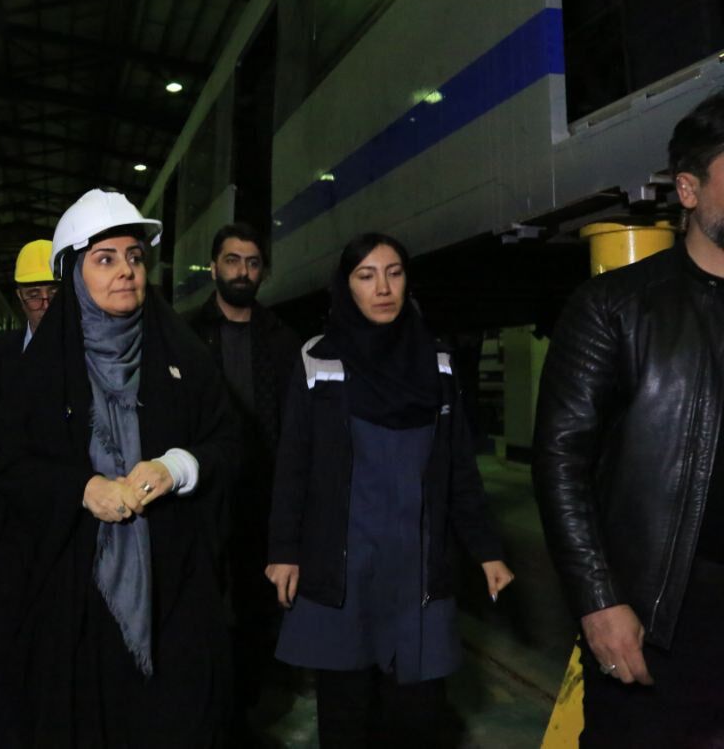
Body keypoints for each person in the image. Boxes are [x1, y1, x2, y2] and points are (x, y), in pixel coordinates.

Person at [0, 188, 239, 747]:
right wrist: (81, 488)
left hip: (175, 592)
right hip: (73, 599)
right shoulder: (39, 373)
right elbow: (8, 469)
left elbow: (228, 441)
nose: (126, 271)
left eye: (134, 257)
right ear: (75, 276)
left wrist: (180, 466)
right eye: (105, 259)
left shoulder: (185, 356)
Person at [266, 233, 513, 748]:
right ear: (346, 286)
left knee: (416, 715)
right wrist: (284, 550)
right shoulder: (318, 360)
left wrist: (487, 550)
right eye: (366, 276)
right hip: (343, 568)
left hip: (416, 569)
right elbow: (294, 464)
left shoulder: (438, 361)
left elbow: (458, 466)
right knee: (346, 714)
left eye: (394, 273)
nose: (383, 288)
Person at [533, 90, 724, 747]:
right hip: (657, 617)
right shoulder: (614, 307)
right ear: (688, 190)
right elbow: (561, 462)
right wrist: (598, 601)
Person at [186, 222, 300, 738]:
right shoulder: (187, 335)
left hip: (263, 494)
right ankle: (213, 702)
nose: (242, 271)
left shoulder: (281, 340)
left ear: (263, 272)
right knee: (206, 601)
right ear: (213, 267)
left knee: (257, 606)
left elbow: (296, 423)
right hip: (202, 494)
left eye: (252, 263)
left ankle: (246, 702)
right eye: (232, 261)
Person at [0, 239, 58, 746]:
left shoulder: (91, 353)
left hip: (66, 522)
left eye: (52, 293)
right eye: (33, 294)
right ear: (19, 296)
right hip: (5, 527)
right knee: (4, 640)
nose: (43, 303)